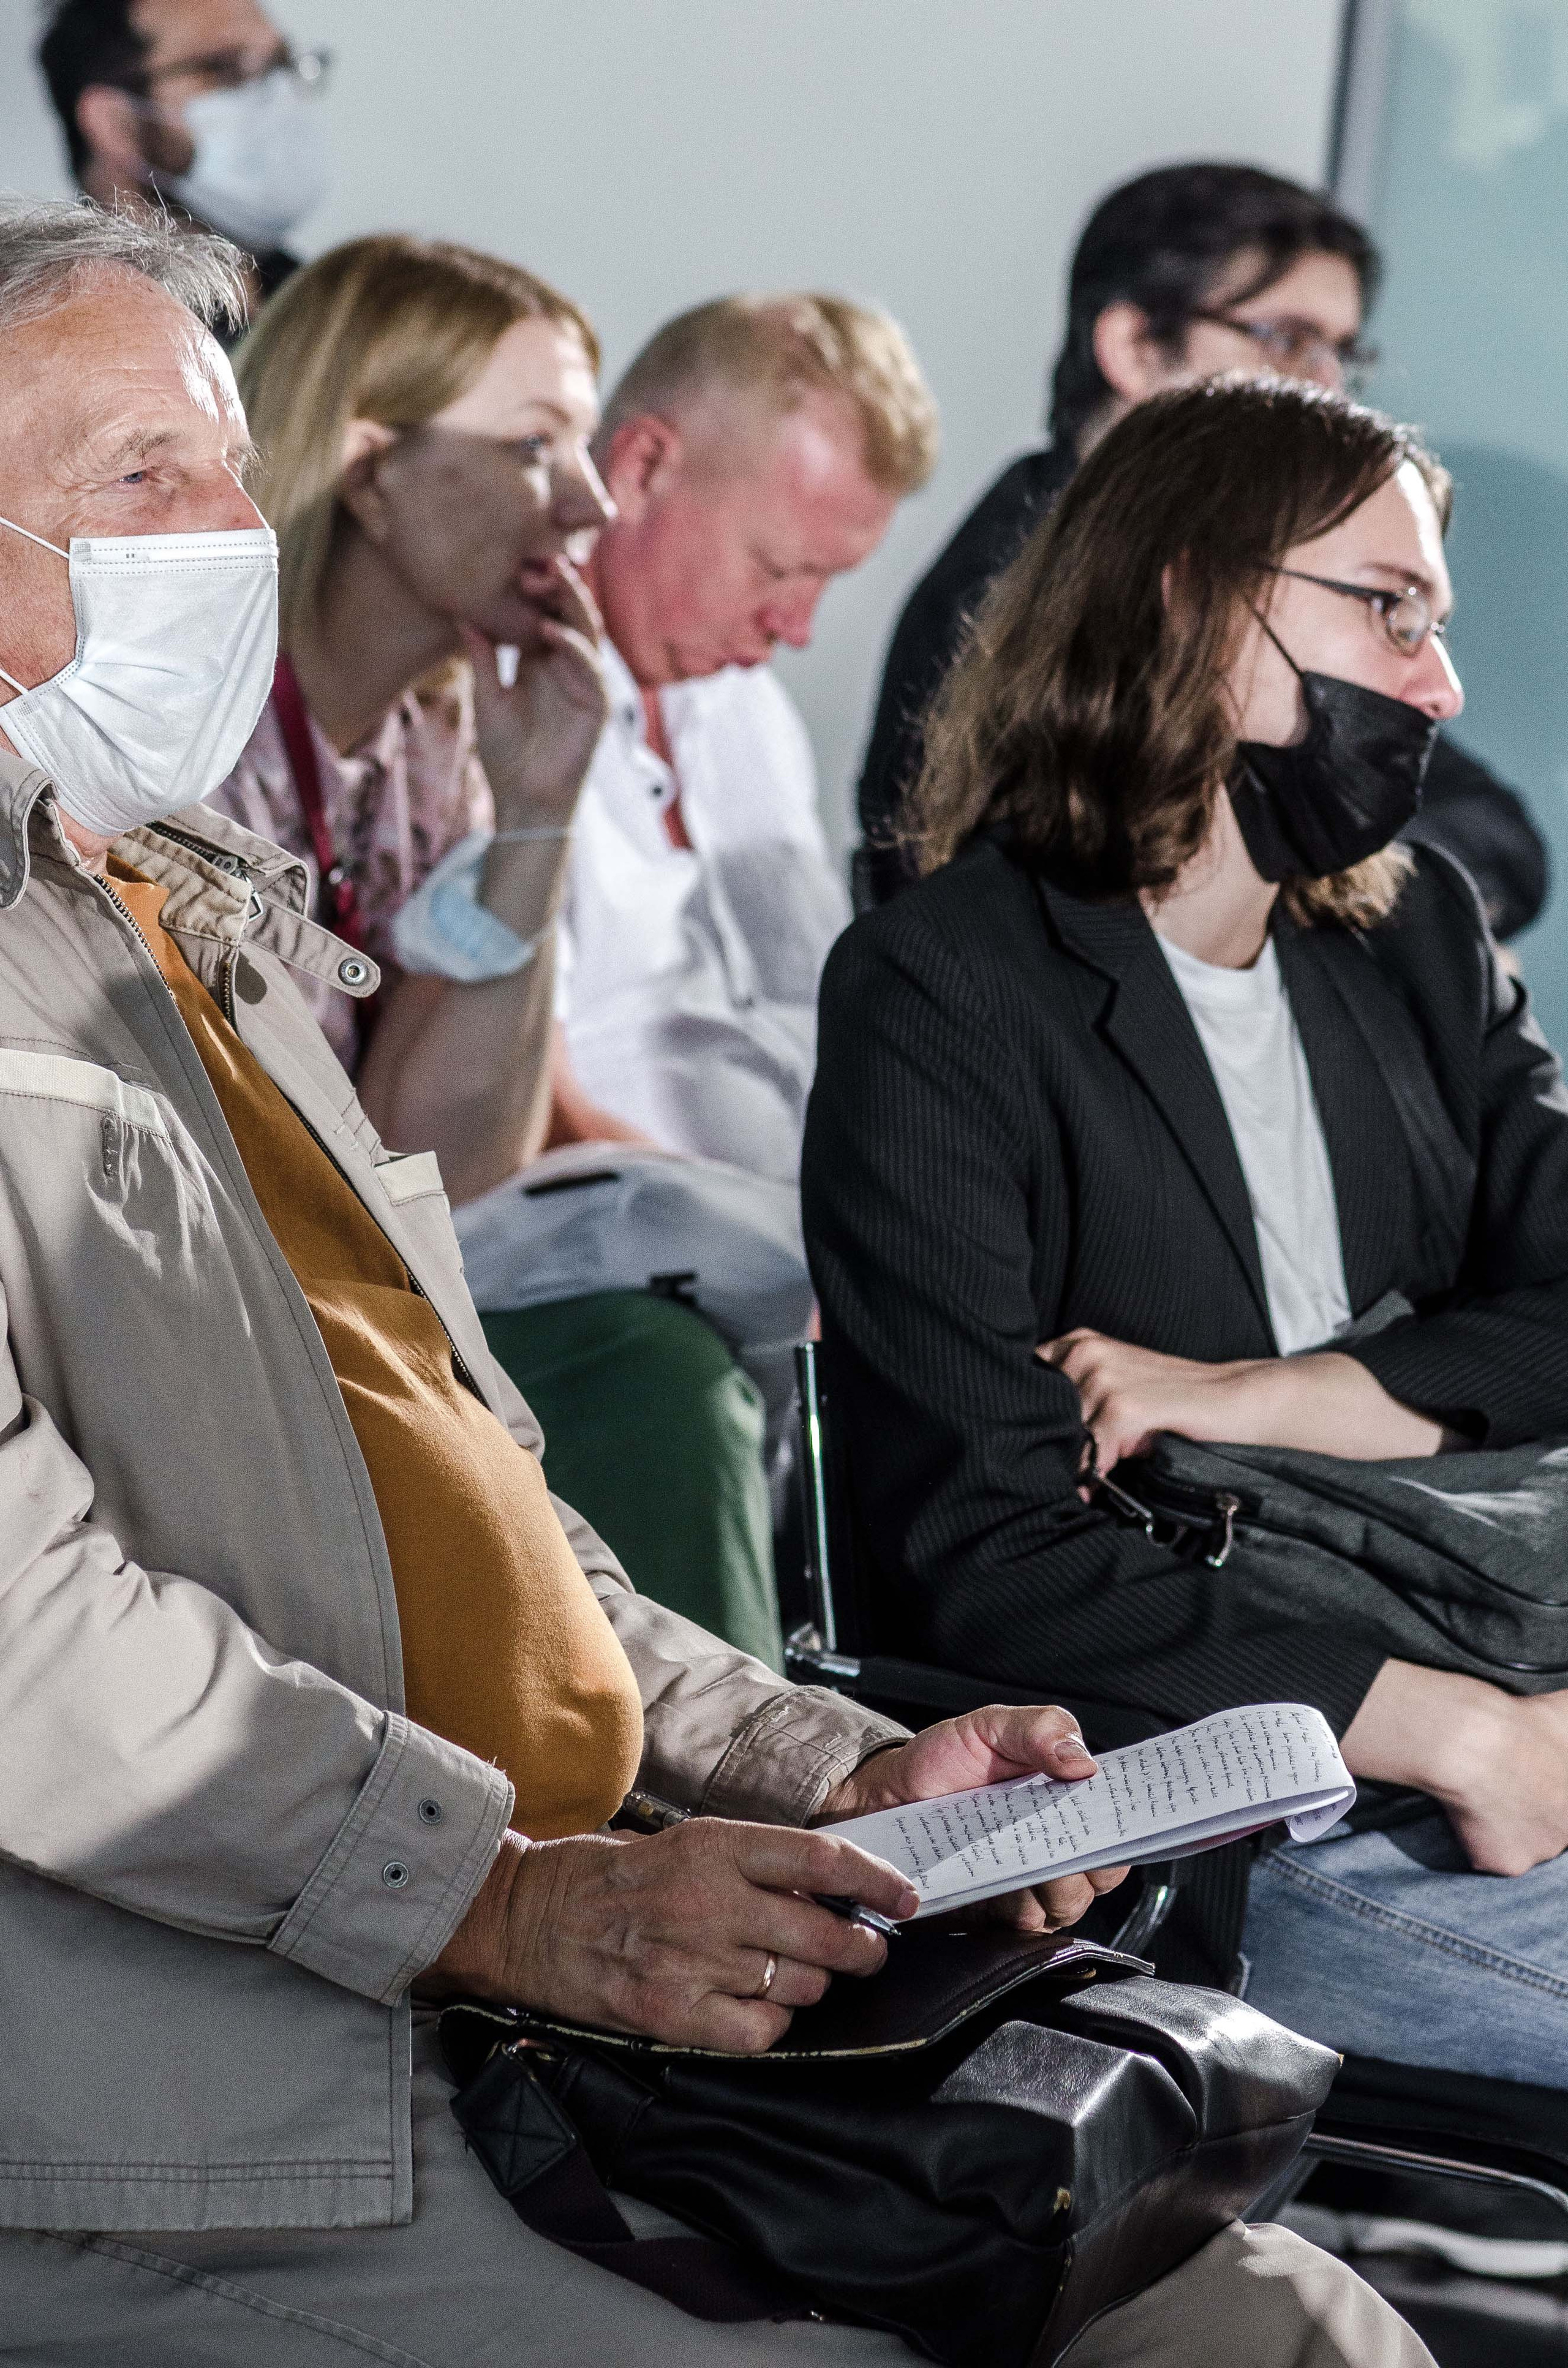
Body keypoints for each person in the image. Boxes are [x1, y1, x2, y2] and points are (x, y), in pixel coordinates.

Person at [0, 199, 1433, 2368]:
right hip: (221, 2107)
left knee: (1273, 2304)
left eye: (226, 463)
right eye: (140, 482)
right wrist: (508, 1900)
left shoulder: (181, 909)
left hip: (498, 1974)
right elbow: (34, 1646)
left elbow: (482, 1499)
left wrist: (819, 1768)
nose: (234, 529)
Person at [804, 374, 1568, 2095]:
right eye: (1389, 610)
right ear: (1191, 596)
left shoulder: (1415, 935)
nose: (1438, 686)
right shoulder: (946, 988)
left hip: (1516, 1697)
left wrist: (1261, 1393)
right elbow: (983, 1549)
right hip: (1246, 1817)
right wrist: (1459, 1730)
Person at [208, 232, 783, 1668]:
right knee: (652, 1379)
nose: (586, 504)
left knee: (661, 1368)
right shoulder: (191, 732)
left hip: (344, 1305)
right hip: (210, 1329)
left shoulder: (435, 743)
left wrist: (539, 805)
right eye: (536, 448)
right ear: (369, 466)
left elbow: (443, 1166)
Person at [858, 162, 1547, 938]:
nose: (1330, 391)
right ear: (1134, 348)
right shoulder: (1008, 597)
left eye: (1341, 355)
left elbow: (1500, 840)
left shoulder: (1264, 570)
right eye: (1287, 341)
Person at [394, 291, 940, 1187]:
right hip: (625, 1267)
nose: (797, 626)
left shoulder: (753, 713)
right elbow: (531, 1113)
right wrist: (802, 1248)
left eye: (827, 583)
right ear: (643, 467)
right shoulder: (494, 712)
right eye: (778, 568)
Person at [37, 0, 328, 319]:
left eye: (283, 64)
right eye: (230, 68)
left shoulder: (331, 308)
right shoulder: (56, 328)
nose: (281, 97)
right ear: (116, 124)